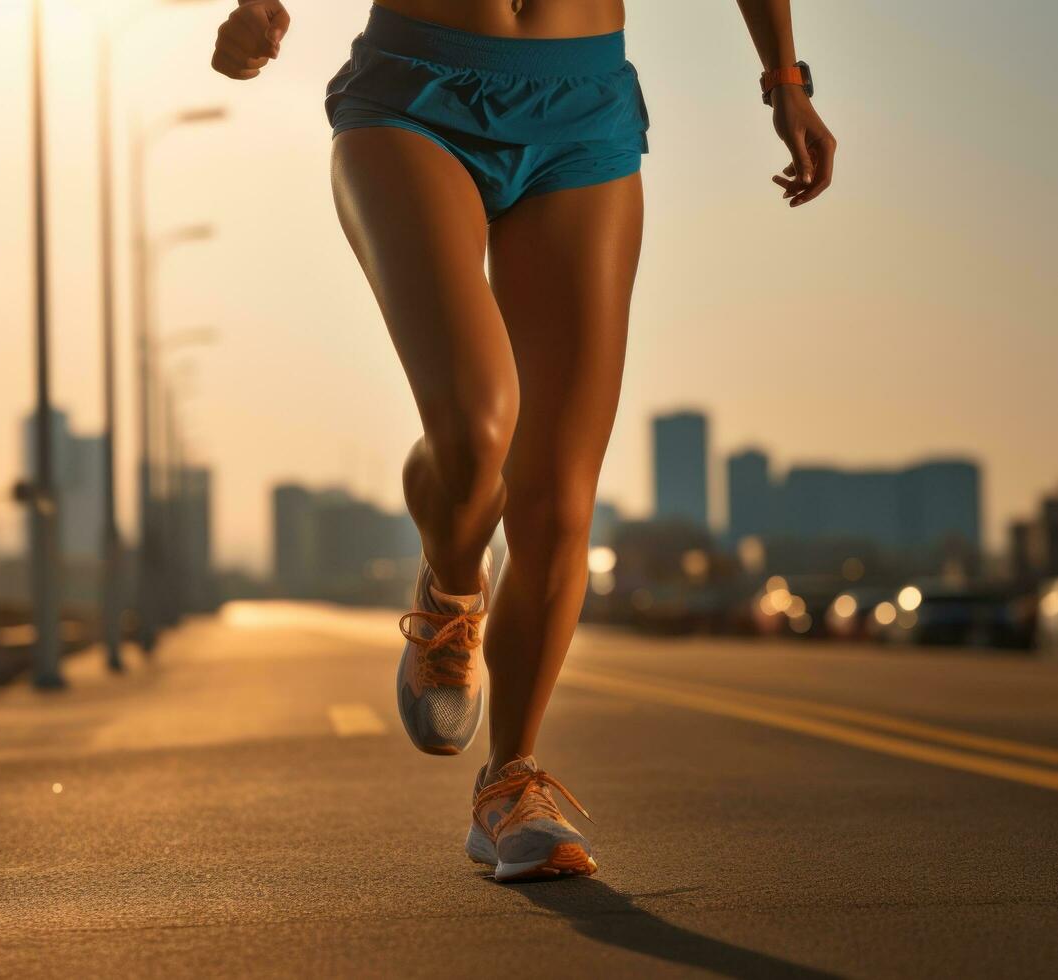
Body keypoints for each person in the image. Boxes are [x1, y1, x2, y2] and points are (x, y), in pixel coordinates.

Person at [212, 0, 836, 882]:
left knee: (555, 497)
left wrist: (784, 79)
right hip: (411, 100)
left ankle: (509, 783)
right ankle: (452, 591)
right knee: (475, 428)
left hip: (581, 111)